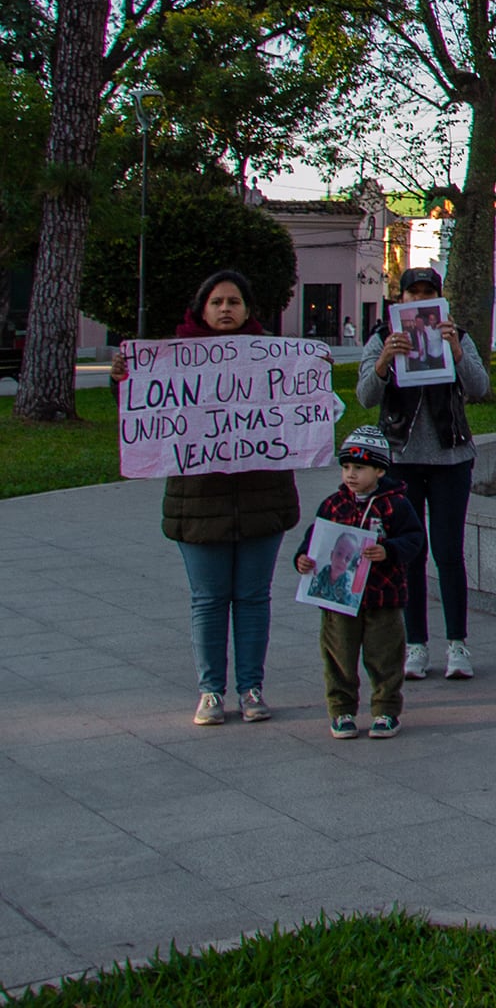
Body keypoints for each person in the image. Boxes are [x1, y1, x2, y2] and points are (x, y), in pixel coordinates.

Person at [113, 270, 306, 727]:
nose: (225, 309)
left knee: (254, 597)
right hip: (197, 503)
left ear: (248, 308)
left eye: (234, 301)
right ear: (201, 308)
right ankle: (211, 692)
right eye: (216, 301)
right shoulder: (171, 359)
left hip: (262, 498)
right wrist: (124, 378)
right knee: (209, 599)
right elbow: (145, 409)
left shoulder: (273, 359)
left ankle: (251, 689)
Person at [356, 265, 492, 682]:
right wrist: (384, 361)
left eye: (426, 293)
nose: (419, 301)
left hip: (451, 458)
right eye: (411, 294)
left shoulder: (458, 335)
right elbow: (364, 396)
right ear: (399, 300)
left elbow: (481, 387)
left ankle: (457, 643)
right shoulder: (382, 338)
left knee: (448, 552)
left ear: (439, 298)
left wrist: (454, 350)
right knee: (408, 553)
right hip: (401, 459)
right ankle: (415, 644)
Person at [292, 425, 424, 740]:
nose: (351, 474)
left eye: (360, 468)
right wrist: (303, 559)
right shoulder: (333, 505)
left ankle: (386, 711)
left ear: (380, 470)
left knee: (385, 656)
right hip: (338, 601)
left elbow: (415, 538)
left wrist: (389, 550)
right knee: (338, 655)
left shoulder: (395, 504)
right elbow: (315, 539)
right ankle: (342, 711)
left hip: (383, 597)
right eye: (347, 467)